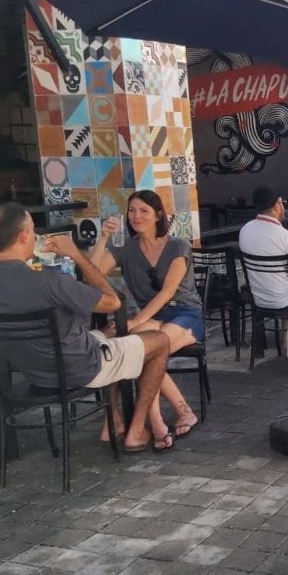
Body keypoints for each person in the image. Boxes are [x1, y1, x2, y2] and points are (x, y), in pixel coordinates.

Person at [0, 203, 170, 453]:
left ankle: (113, 419)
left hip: (33, 371)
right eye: (33, 229)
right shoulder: (50, 282)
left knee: (111, 333)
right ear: (24, 236)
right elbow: (113, 302)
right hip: (81, 368)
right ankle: (136, 430)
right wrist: (76, 254)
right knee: (159, 341)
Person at [90, 190, 202, 450]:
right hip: (152, 317)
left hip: (184, 312)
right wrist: (103, 237)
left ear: (158, 215)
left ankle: (157, 421)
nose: (136, 216)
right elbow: (92, 276)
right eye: (132, 211)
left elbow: (167, 292)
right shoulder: (126, 248)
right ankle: (172, 413)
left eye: (143, 211)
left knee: (140, 350)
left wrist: (135, 321)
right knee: (122, 345)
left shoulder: (177, 245)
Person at [239, 185, 288, 310]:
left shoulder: (244, 230)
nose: (284, 206)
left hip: (257, 300)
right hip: (286, 302)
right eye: (283, 203)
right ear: (277, 206)